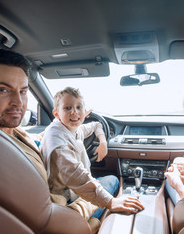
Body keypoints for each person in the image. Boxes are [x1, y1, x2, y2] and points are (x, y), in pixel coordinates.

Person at [0, 49, 143, 232]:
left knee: (105, 181)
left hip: (59, 203)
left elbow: (87, 128)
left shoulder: (14, 132)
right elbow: (73, 176)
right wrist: (109, 202)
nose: (18, 102)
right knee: (112, 180)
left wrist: (101, 140)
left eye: (23, 91)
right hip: (61, 211)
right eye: (3, 89)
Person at [41, 87, 143, 219]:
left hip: (74, 190)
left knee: (108, 180)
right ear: (56, 114)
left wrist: (103, 143)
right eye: (67, 108)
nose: (74, 113)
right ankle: (87, 221)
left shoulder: (72, 128)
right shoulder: (56, 139)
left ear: (84, 111)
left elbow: (96, 125)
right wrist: (110, 202)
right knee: (113, 180)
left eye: (79, 107)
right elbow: (76, 176)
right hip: (65, 199)